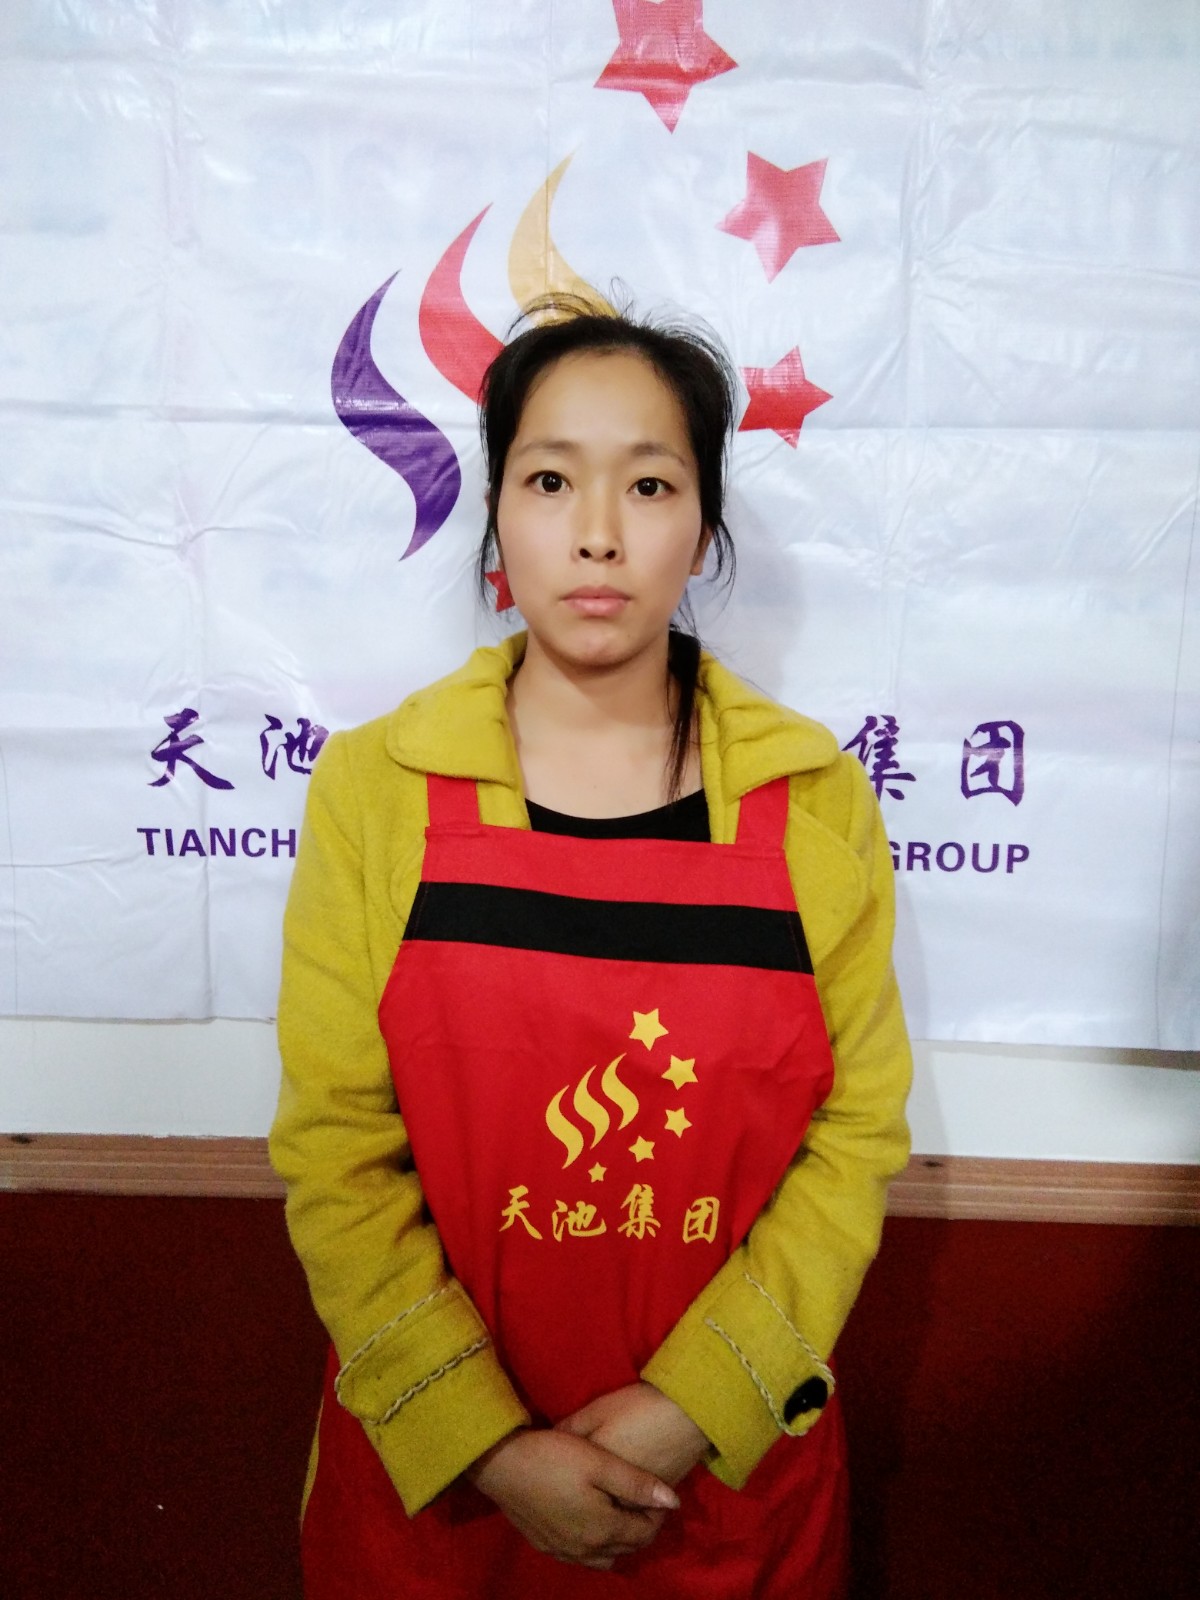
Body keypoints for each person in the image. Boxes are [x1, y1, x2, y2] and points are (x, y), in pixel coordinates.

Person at [270, 295, 912, 1598]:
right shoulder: (379, 791)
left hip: (716, 1476)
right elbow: (335, 1144)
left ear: (705, 529)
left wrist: (698, 1401)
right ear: (497, 513)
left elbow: (854, 1137)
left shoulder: (812, 801)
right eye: (552, 479)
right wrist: (487, 1440)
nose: (599, 532)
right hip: (447, 1484)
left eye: (651, 484)